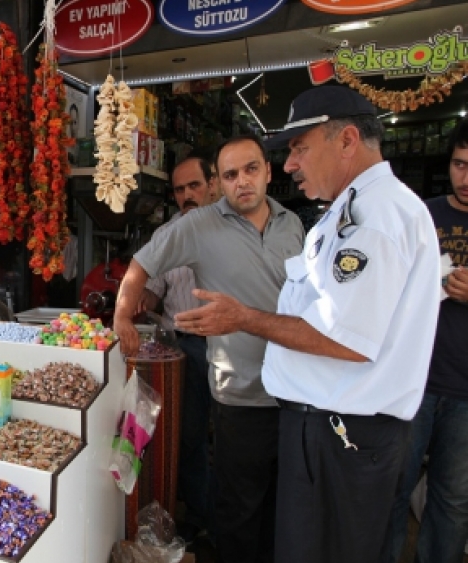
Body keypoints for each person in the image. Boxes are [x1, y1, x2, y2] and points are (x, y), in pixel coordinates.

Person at [175, 85, 441, 563]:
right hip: (323, 429)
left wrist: (244, 318)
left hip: (344, 435)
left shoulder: (375, 218)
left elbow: (345, 339)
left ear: (347, 140)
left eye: (300, 148)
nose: (292, 164)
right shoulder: (345, 211)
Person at [114, 133, 304, 563]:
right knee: (239, 511)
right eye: (231, 174)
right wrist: (123, 317)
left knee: (284, 507)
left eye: (251, 170)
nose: (242, 182)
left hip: (296, 391)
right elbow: (142, 263)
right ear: (220, 181)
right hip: (241, 395)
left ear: (268, 172)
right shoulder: (199, 225)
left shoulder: (292, 224)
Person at [388, 118, 468, 563]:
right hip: (413, 381)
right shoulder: (423, 214)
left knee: (453, 502)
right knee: (393, 491)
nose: (466, 177)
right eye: (459, 164)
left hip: (465, 390)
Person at [135, 155, 217, 542]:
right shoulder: (167, 235)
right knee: (188, 437)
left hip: (234, 346)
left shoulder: (232, 228)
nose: (187, 196)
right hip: (183, 349)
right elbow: (153, 294)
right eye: (180, 189)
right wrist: (136, 302)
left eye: (194, 186)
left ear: (213, 184)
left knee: (238, 439)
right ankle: (200, 515)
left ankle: (232, 522)